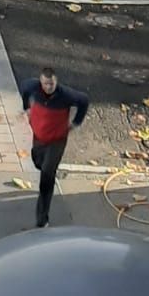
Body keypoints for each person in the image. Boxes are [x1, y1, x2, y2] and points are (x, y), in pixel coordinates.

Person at [21, 67, 89, 228]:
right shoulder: (32, 87)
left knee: (46, 176)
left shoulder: (66, 95)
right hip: (39, 137)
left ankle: (42, 219)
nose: (48, 87)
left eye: (51, 84)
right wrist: (27, 108)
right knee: (38, 162)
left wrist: (75, 123)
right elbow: (24, 88)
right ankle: (49, 169)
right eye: (45, 84)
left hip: (57, 140)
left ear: (56, 82)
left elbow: (83, 100)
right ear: (41, 82)